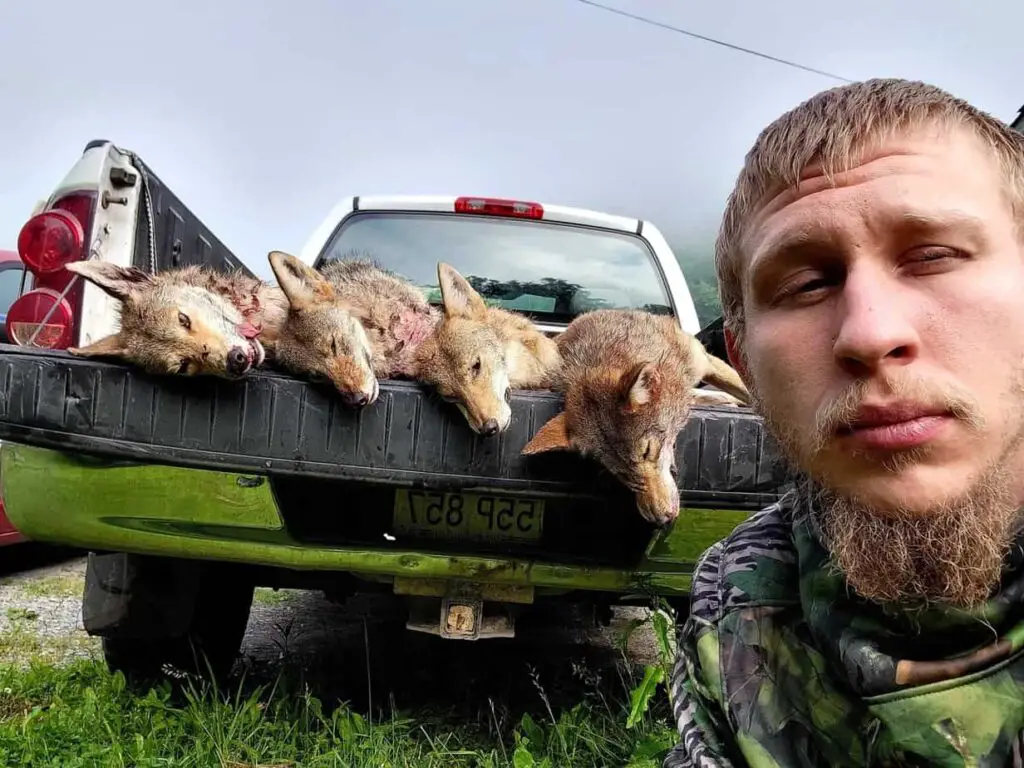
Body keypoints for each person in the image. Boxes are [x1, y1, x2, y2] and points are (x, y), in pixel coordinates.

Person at [664, 78, 1024, 768]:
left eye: (933, 255)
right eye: (806, 285)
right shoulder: (740, 601)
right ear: (743, 364)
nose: (869, 333)